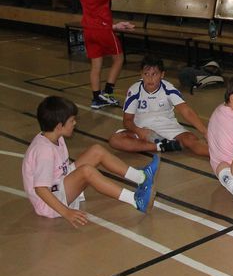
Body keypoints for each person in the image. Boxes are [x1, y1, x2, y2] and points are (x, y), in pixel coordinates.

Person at [22, 96, 160, 226]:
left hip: (59, 182)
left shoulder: (55, 136)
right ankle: (136, 200)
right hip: (49, 203)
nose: (75, 123)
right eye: (72, 121)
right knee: (86, 172)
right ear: (59, 126)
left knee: (96, 151)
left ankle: (141, 177)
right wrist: (66, 212)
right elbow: (40, 189)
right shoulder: (44, 151)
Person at [109, 55, 209, 156]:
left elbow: (186, 111)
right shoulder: (134, 90)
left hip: (168, 128)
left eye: (154, 74)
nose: (150, 78)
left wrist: (205, 132)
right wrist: (139, 131)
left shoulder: (169, 89)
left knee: (191, 140)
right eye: (146, 74)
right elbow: (127, 121)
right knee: (115, 140)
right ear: (141, 74)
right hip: (143, 129)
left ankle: (218, 155)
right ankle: (161, 146)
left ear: (162, 74)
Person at [67, 0, 126, 109]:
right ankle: (108, 93)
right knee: (119, 58)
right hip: (103, 29)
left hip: (88, 30)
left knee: (95, 65)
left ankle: (96, 99)